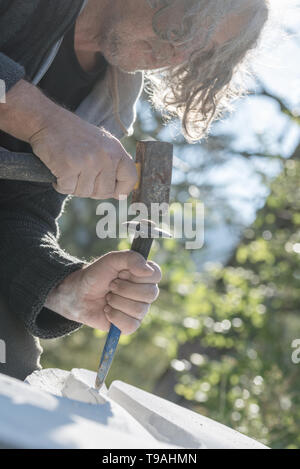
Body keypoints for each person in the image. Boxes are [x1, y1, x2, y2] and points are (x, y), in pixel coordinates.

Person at [0, 0, 269, 380]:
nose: (180, 53)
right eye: (187, 28)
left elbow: (15, 213)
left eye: (201, 51)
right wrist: (38, 118)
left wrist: (62, 287)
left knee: (12, 373)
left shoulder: (111, 99)